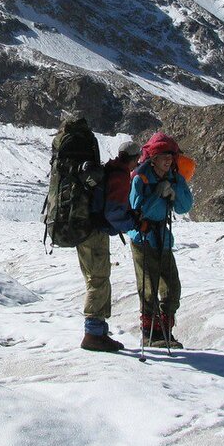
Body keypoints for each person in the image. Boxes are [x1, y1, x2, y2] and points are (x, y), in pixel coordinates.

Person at [129, 132, 193, 348]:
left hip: (161, 238)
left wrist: (175, 192)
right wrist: (158, 194)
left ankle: (164, 331)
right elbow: (136, 211)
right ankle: (151, 333)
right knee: (148, 286)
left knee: (172, 287)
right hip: (143, 237)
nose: (168, 160)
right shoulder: (141, 178)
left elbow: (184, 207)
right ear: (153, 158)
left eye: (170, 156)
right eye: (164, 156)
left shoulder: (174, 178)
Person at [76, 140, 138, 353]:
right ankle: (93, 334)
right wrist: (133, 223)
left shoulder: (109, 169)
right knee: (99, 279)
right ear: (134, 159)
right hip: (95, 233)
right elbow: (113, 213)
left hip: (83, 230)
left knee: (94, 278)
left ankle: (99, 331)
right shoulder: (120, 176)